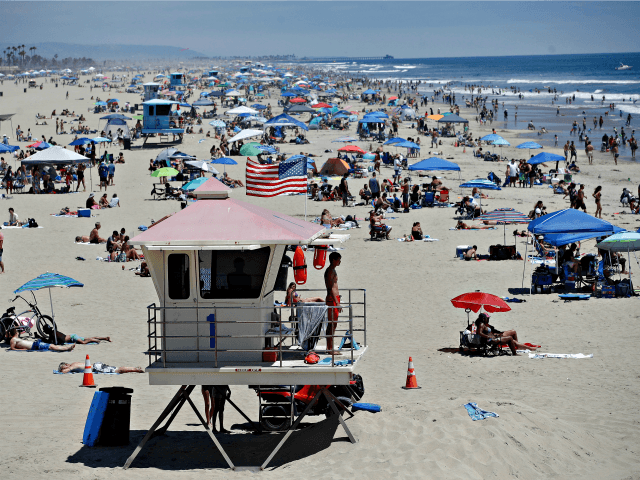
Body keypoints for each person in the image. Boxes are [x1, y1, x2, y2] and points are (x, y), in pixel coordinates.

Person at [324, 252, 342, 355]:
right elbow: (330, 288)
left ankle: (329, 347)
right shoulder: (330, 271)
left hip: (334, 299)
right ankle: (330, 349)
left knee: (333, 324)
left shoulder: (332, 270)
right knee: (331, 324)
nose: (340, 261)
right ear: (334, 260)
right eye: (338, 259)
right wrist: (336, 302)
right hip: (332, 300)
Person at [8, 328, 75, 351]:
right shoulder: (13, 340)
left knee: (51, 345)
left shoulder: (16, 338)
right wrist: (22, 349)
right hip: (34, 346)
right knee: (51, 346)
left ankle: (67, 348)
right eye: (17, 331)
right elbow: (12, 348)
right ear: (15, 333)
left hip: (34, 344)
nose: (18, 333)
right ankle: (67, 348)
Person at [44, 325, 111, 345]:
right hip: (73, 336)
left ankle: (96, 340)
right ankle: (105, 338)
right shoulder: (54, 332)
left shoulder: (52, 335)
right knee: (86, 338)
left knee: (84, 342)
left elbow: (50, 342)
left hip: (73, 337)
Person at [57, 361, 143, 374]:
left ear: (65, 365)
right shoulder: (74, 363)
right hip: (96, 365)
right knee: (117, 368)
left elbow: (66, 371)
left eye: (62, 367)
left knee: (118, 370)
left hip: (96, 368)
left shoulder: (73, 366)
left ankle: (135, 369)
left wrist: (61, 371)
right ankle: (134, 368)